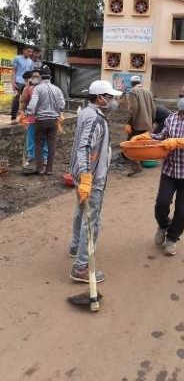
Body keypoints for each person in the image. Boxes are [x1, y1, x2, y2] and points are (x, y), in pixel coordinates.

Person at [132, 82, 184, 256]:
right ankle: (163, 226)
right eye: (181, 95)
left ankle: (172, 238)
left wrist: (179, 142)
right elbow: (161, 137)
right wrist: (146, 137)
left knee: (182, 210)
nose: (182, 99)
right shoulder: (171, 118)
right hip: (169, 170)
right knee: (161, 204)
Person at [69, 80, 122, 283]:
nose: (113, 101)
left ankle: (75, 246)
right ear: (99, 98)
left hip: (82, 174)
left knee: (81, 210)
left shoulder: (86, 112)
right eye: (109, 97)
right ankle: (81, 267)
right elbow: (84, 147)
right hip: (90, 177)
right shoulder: (95, 119)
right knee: (92, 219)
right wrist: (86, 177)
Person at [26, 65, 65, 175]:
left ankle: (39, 168)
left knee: (38, 144)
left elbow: (32, 104)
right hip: (53, 121)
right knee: (51, 144)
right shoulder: (57, 89)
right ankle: (49, 170)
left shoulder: (37, 88)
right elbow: (62, 105)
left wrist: (28, 113)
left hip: (41, 121)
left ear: (41, 77)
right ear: (50, 77)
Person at [125, 75, 156, 176]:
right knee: (142, 144)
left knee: (130, 145)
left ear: (132, 83)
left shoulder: (133, 91)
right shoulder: (148, 92)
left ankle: (137, 166)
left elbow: (134, 108)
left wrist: (130, 122)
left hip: (137, 123)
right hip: (148, 123)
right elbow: (153, 109)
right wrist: (151, 122)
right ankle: (141, 162)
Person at [20, 69, 48, 168]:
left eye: (37, 76)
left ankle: (45, 157)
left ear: (41, 78)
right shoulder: (29, 88)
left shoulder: (45, 88)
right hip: (31, 117)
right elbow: (23, 100)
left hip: (43, 117)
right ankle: (31, 155)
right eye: (33, 76)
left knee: (44, 138)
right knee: (31, 137)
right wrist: (27, 87)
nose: (35, 78)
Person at [11, 46, 34, 124]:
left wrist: (31, 84)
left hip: (27, 83)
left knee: (27, 99)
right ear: (24, 51)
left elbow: (31, 74)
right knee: (16, 98)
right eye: (28, 51)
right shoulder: (17, 58)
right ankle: (13, 118)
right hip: (18, 81)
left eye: (31, 52)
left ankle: (25, 116)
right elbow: (13, 71)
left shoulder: (31, 62)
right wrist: (13, 82)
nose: (30, 53)